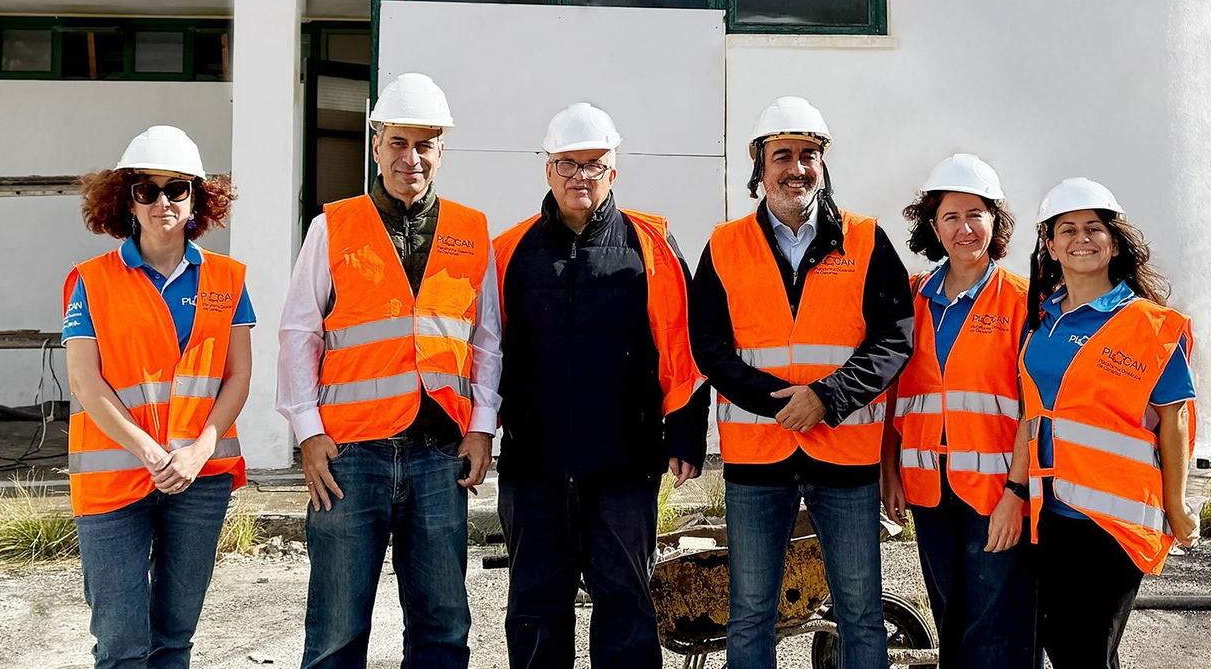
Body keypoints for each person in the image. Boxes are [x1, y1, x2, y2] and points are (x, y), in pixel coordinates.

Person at [279, 72, 502, 669]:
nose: (411, 157)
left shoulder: (470, 230)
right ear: (376, 144)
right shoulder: (333, 227)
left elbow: (486, 339)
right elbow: (299, 333)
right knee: (336, 631)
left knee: (442, 627)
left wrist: (482, 426)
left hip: (439, 454)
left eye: (424, 143)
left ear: (441, 149)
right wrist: (307, 431)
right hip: (352, 456)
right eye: (398, 142)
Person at [690, 96, 913, 669]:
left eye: (809, 154)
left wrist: (826, 398)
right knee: (751, 614)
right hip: (757, 459)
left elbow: (894, 338)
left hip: (844, 456)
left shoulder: (867, 239)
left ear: (824, 162)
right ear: (758, 166)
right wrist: (778, 404)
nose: (796, 167)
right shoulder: (724, 245)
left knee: (860, 612)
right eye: (781, 155)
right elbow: (709, 347)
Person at [491, 103, 709, 669]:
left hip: (622, 462)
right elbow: (484, 353)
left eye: (593, 164)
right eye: (567, 163)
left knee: (625, 602)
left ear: (613, 170)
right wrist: (474, 432)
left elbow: (681, 341)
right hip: (533, 464)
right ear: (547, 168)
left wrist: (685, 432)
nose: (579, 176)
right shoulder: (508, 250)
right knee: (536, 606)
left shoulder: (652, 243)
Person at [62, 125, 254, 669]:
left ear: (197, 198)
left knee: (174, 638)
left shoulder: (228, 279)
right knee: (122, 645)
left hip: (199, 478)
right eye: (147, 189)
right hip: (114, 480)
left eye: (177, 188)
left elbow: (238, 376)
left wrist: (196, 451)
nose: (163, 201)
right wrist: (150, 451)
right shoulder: (90, 281)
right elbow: (85, 382)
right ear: (127, 198)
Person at [1012, 177, 1198, 669]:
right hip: (1050, 510)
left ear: (1113, 242)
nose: (1082, 238)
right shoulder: (1042, 319)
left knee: (1086, 650)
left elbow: (1173, 421)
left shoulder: (1148, 325)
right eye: (1067, 229)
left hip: (1114, 518)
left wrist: (1177, 507)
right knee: (1064, 642)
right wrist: (1014, 492)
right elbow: (1032, 413)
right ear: (1049, 246)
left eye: (1093, 228)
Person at [879, 154, 1032, 669]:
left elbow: (1034, 410)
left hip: (995, 491)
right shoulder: (913, 297)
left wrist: (1017, 492)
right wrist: (889, 470)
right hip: (927, 486)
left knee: (996, 623)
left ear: (996, 219)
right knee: (951, 618)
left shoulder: (1021, 302)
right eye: (950, 216)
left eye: (976, 214)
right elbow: (895, 391)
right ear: (933, 225)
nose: (964, 228)